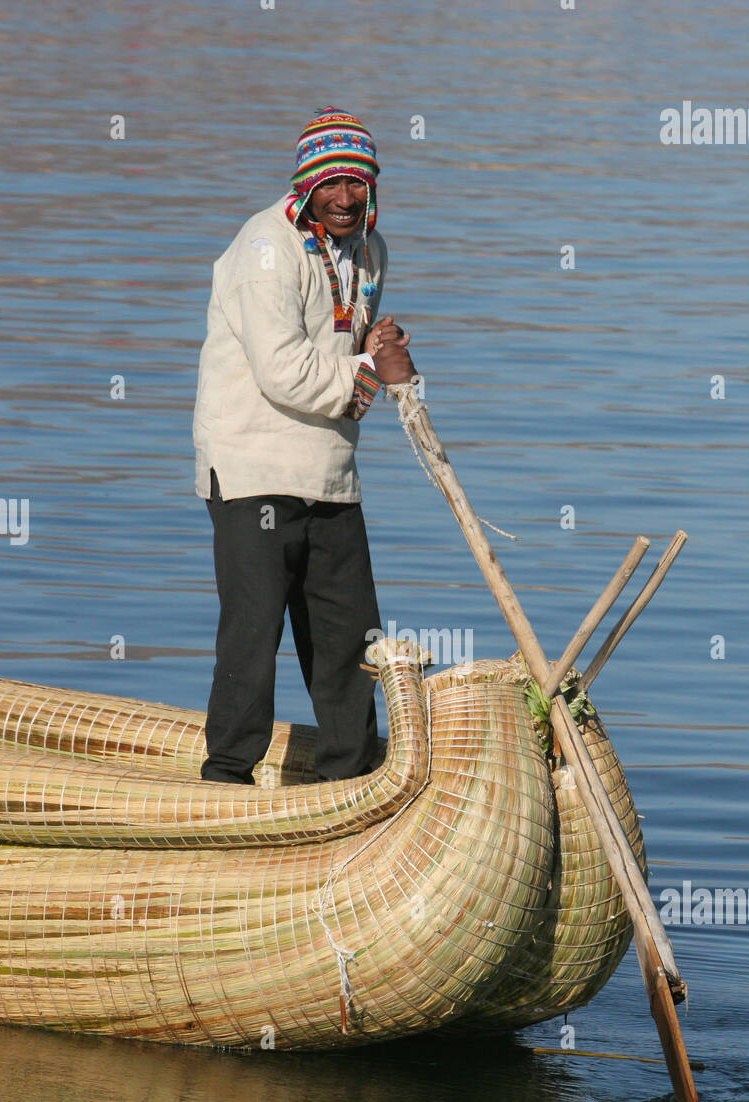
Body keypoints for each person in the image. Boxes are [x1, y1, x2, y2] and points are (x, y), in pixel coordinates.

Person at [192, 107, 415, 784]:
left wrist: (379, 353)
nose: (346, 197)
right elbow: (284, 371)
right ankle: (227, 777)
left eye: (358, 182)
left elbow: (349, 357)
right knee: (254, 632)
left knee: (351, 638)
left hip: (329, 470)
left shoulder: (371, 252)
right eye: (331, 184)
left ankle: (350, 779)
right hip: (255, 467)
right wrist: (372, 370)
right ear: (306, 185)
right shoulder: (266, 250)